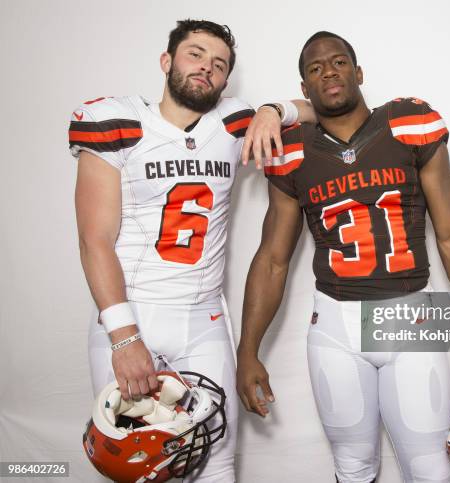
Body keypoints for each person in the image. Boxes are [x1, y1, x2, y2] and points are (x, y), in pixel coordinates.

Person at [236, 31, 450, 483]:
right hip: (336, 325)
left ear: (358, 73)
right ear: (304, 89)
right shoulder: (293, 149)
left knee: (432, 470)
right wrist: (247, 350)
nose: (329, 73)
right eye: (315, 69)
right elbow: (272, 259)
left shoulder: (407, 122)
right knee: (353, 467)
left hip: (410, 318)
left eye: (338, 62)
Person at [69, 19, 314, 482]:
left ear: (225, 80)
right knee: (133, 466)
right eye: (195, 54)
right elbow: (93, 240)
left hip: (204, 320)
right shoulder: (116, 120)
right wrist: (124, 339)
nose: (207, 68)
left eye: (219, 65)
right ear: (167, 62)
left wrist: (271, 109)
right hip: (132, 312)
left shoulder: (233, 121)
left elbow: (313, 109)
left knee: (216, 456)